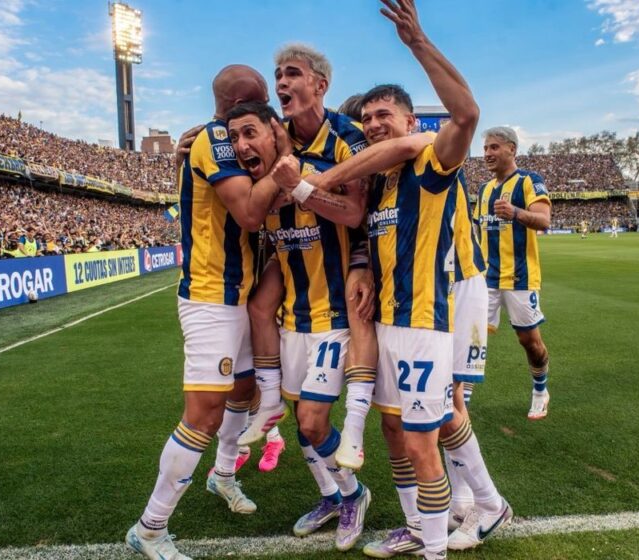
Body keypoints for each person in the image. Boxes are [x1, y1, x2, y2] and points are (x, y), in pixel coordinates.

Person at [302, 2, 511, 556]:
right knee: (413, 423)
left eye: (383, 117)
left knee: (444, 414)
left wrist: (417, 40)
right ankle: (449, 514)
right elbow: (369, 232)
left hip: (453, 289)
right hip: (405, 302)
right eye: (366, 120)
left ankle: (475, 506)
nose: (373, 126)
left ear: (411, 122)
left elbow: (465, 115)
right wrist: (363, 266)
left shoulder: (428, 157)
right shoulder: (382, 181)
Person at [125, 64, 285, 560]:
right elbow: (250, 214)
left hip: (241, 294)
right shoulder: (216, 140)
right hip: (212, 295)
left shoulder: (226, 142)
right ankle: (150, 529)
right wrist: (285, 164)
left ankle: (223, 475)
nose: (269, 108)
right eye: (261, 98)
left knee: (243, 390)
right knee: (204, 413)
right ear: (239, 101)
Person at [228, 101, 374, 550]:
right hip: (292, 321)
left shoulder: (318, 170)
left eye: (251, 134)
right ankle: (331, 495)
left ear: (276, 132)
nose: (243, 146)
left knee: (312, 421)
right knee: (299, 418)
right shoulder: (262, 189)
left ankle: (355, 495)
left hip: (333, 319)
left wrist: (303, 186)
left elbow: (355, 213)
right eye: (234, 138)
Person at [475, 126, 553, 422]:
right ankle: (461, 406)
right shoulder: (483, 190)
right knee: (472, 339)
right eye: (485, 148)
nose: (487, 153)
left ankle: (540, 390)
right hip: (486, 279)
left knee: (529, 342)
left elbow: (544, 220)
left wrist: (515, 212)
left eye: (494, 147)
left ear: (512, 149)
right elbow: (477, 231)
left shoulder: (529, 181)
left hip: (520, 277)